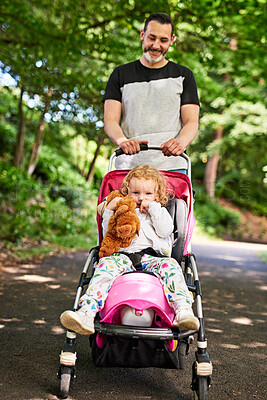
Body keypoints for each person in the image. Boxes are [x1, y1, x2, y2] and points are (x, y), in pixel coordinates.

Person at [60, 165, 199, 335]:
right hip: (123, 256)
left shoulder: (160, 211)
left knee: (172, 267)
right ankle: (86, 313)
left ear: (157, 195)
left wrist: (153, 208)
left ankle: (183, 310)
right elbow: (108, 231)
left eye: (148, 194)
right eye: (136, 193)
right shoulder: (124, 211)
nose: (141, 198)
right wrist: (111, 209)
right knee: (104, 268)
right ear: (127, 192)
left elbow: (165, 230)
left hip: (154, 258)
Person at [103, 13, 200, 171]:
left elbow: (192, 122)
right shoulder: (120, 74)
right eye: (151, 37)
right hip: (129, 167)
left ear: (172, 40)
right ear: (142, 35)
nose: (156, 46)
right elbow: (110, 120)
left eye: (163, 40)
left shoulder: (184, 76)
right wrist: (122, 141)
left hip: (172, 168)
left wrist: (180, 143)